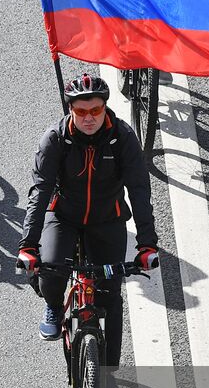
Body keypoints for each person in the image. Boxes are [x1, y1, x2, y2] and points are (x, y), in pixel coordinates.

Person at [17, 73, 159, 354]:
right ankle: (54, 307)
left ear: (105, 107)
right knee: (51, 275)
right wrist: (28, 246)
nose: (89, 118)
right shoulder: (54, 139)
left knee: (110, 296)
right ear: (71, 110)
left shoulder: (123, 137)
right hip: (64, 217)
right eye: (81, 111)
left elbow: (140, 190)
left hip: (107, 218)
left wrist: (147, 244)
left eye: (95, 110)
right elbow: (40, 193)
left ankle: (110, 369)